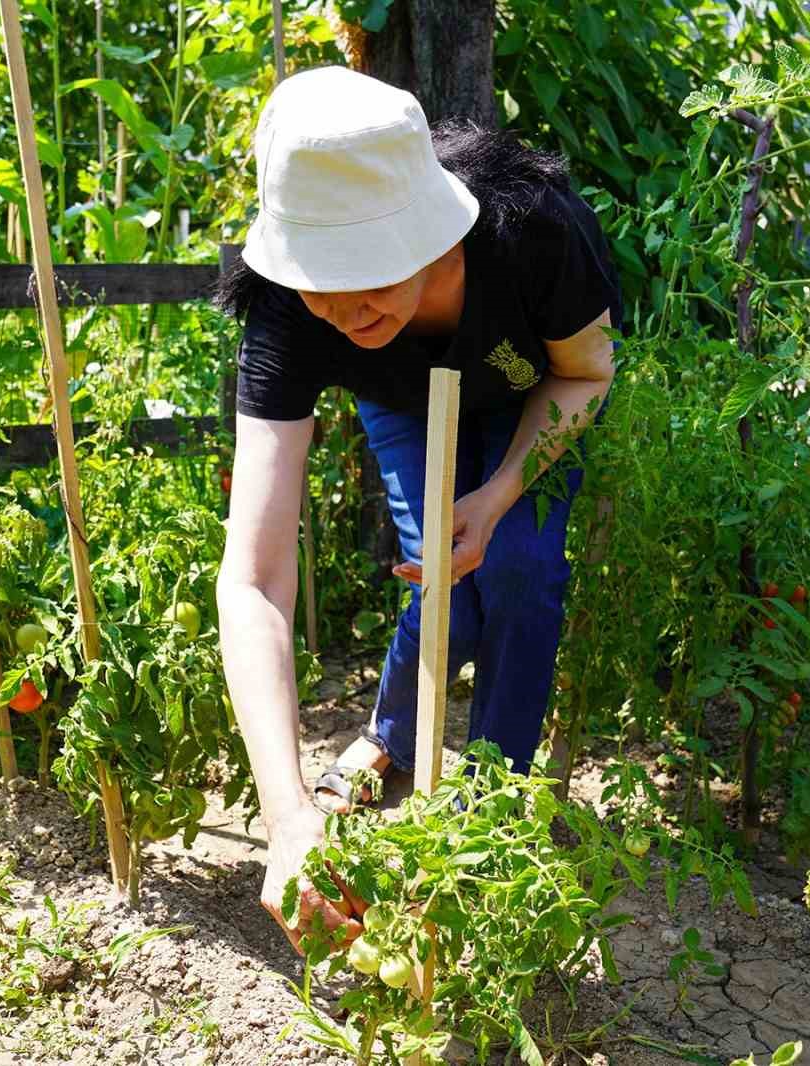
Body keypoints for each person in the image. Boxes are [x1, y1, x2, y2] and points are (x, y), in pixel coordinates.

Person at [214, 65, 621, 952]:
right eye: (322, 280)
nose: (343, 307)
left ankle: (497, 812)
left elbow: (587, 372)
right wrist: (285, 821)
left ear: (436, 236)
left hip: (534, 390)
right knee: (447, 587)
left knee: (520, 568)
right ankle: (388, 735)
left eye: (369, 276)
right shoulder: (286, 312)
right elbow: (253, 579)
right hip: (404, 404)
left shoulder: (533, 231)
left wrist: (503, 487)